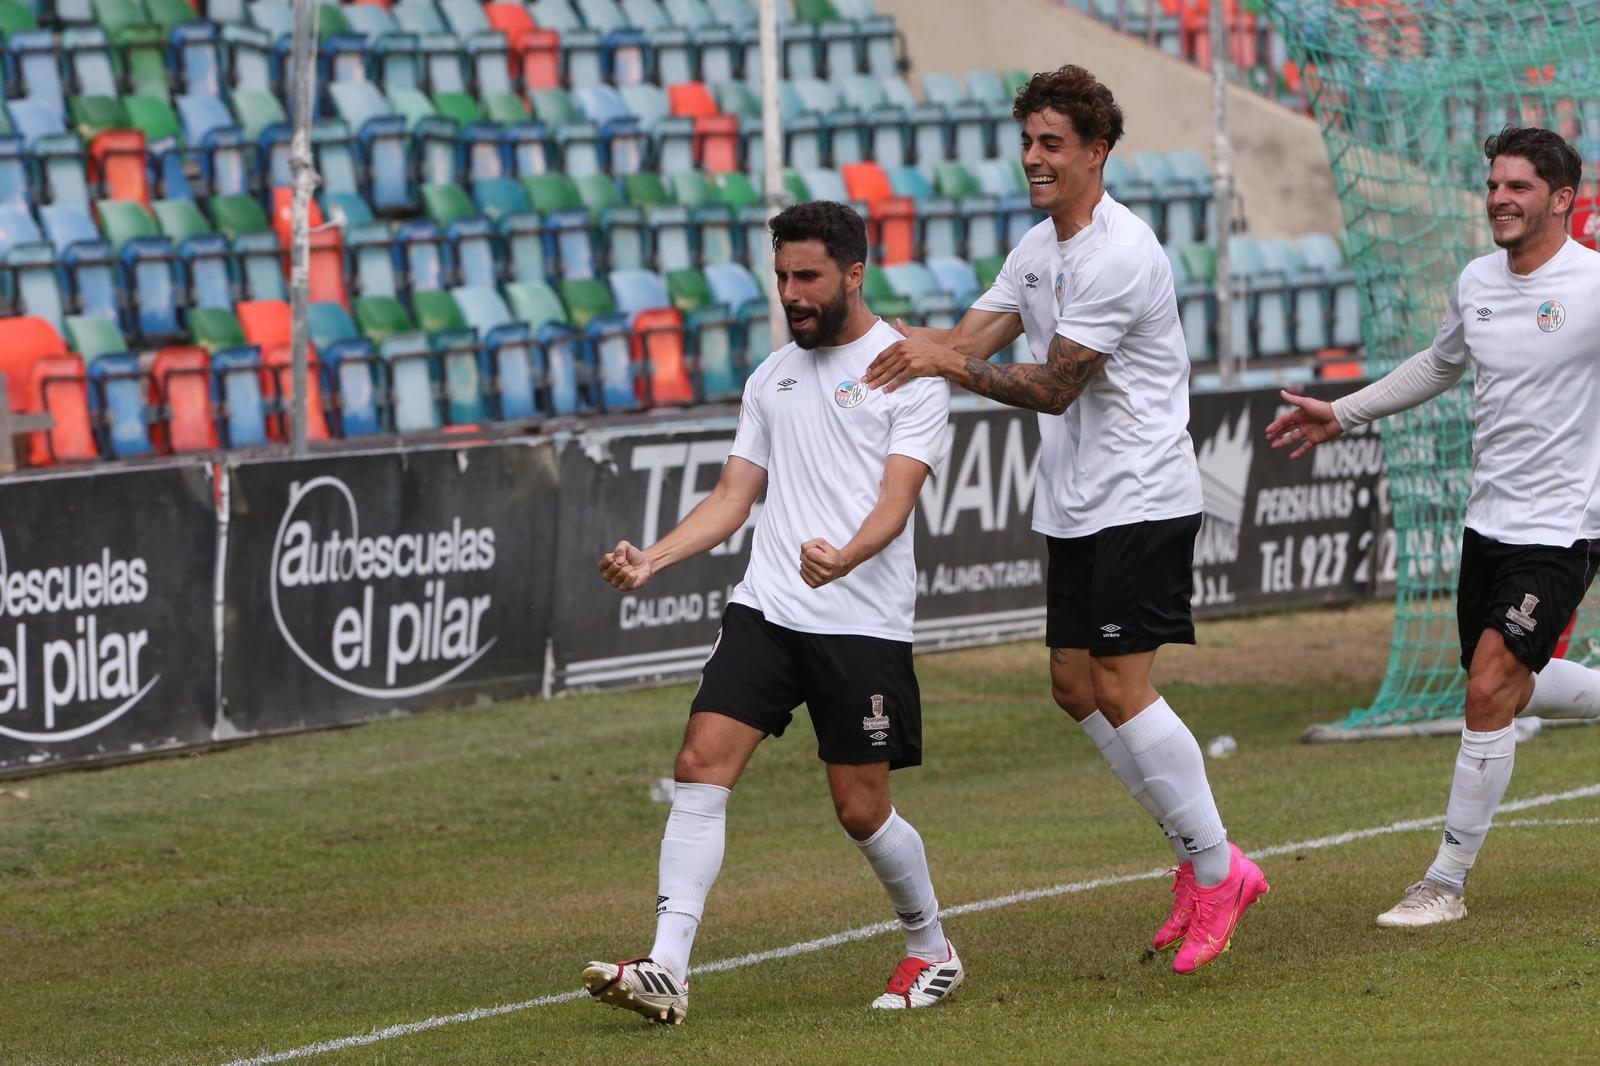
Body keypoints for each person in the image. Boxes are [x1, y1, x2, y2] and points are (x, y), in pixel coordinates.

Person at [860, 64, 1267, 974]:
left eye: (1053, 144)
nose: (1034, 159)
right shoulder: (1038, 247)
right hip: (1077, 502)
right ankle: (1198, 856)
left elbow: (1047, 386)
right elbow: (963, 343)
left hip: (1143, 498)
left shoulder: (1120, 253)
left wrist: (942, 366)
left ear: (1096, 152)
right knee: (1074, 688)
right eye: (1029, 142)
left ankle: (1217, 869)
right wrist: (870, 350)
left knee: (1122, 687)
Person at [581, 201, 961, 1024]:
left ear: (854, 274)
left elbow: (898, 503)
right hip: (768, 609)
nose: (790, 293)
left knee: (861, 809)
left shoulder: (907, 370)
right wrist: (653, 557)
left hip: (861, 617)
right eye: (782, 275)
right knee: (699, 764)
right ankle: (666, 968)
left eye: (808, 277)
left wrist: (847, 557)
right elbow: (732, 497)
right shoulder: (772, 375)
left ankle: (931, 948)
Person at [1267, 125, 1600, 928]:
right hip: (1487, 522)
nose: (1499, 199)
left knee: (1488, 687)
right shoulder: (1477, 279)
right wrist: (1340, 413)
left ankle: (1444, 880)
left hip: (1565, 527)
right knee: (1507, 687)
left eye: (1518, 187)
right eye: (1493, 185)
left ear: (1562, 199)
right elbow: (1439, 363)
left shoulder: (1593, 286)